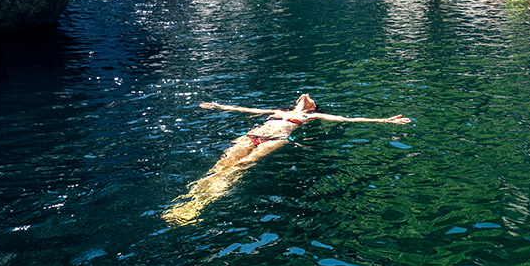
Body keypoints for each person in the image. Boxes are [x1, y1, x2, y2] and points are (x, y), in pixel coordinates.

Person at [162, 94, 411, 225]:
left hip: (274, 141)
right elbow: (244, 110)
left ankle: (199, 206)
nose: (305, 95)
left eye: (310, 98)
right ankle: (188, 201)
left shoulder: (311, 118)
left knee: (238, 169)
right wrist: (217, 106)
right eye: (302, 95)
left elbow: (347, 120)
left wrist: (385, 121)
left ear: (312, 108)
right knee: (220, 167)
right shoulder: (277, 111)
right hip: (252, 136)